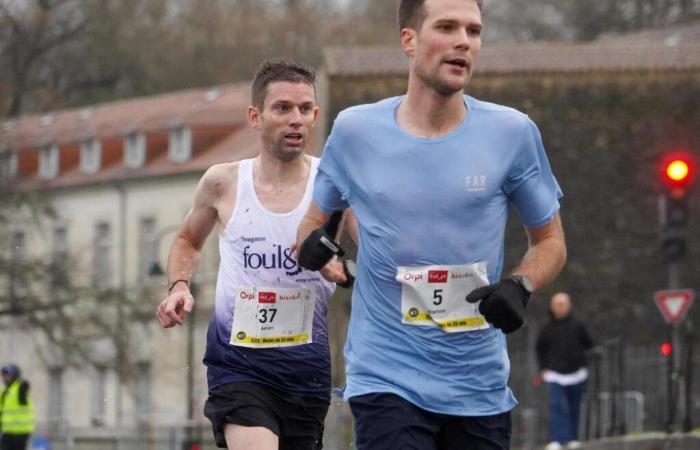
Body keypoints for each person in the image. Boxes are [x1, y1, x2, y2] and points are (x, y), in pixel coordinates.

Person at [296, 0, 567, 449]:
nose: (464, 40)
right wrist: (313, 246)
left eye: (474, 31)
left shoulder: (512, 133)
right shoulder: (355, 131)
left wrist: (520, 284)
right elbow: (314, 221)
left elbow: (551, 240)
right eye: (447, 27)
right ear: (410, 40)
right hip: (385, 374)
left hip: (476, 384)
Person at [156, 59, 349, 450]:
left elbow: (375, 257)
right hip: (238, 365)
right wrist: (179, 286)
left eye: (305, 109)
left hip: (306, 370)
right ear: (255, 116)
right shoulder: (223, 182)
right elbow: (188, 241)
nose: (296, 119)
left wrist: (338, 268)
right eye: (282, 108)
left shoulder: (335, 185)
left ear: (314, 116)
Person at [536, 293, 593, 450]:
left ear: (569, 305)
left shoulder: (578, 325)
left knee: (575, 406)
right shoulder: (546, 329)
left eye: (563, 304)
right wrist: (543, 368)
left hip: (577, 373)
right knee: (556, 406)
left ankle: (573, 438)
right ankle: (557, 439)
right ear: (552, 307)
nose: (560, 307)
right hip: (554, 374)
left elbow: (589, 344)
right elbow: (540, 350)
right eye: (557, 304)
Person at [0, 364, 34, 450]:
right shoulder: (4, 392)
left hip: (21, 432)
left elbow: (24, 384)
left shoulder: (19, 387)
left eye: (7, 375)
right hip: (8, 431)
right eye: (3, 376)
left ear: (15, 375)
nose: (5, 378)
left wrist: (23, 384)